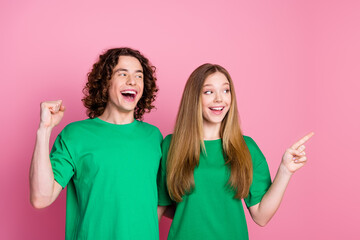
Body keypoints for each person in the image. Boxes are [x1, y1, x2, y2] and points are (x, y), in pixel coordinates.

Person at [157, 63, 314, 240]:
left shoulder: (245, 147)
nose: (219, 99)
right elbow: (162, 206)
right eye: (209, 92)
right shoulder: (171, 145)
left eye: (225, 90)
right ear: (193, 97)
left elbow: (261, 216)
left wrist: (285, 171)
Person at [29, 47, 163, 240]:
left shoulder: (154, 137)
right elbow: (40, 198)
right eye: (122, 73)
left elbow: (162, 200)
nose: (132, 81)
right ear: (105, 82)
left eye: (139, 75)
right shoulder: (75, 135)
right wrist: (44, 130)